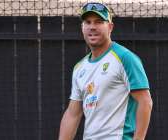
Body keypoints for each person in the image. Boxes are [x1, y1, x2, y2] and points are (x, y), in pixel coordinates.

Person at [58, 2, 153, 140]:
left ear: (110, 27)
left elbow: (145, 102)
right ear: (82, 27)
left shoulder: (125, 58)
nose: (92, 27)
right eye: (88, 22)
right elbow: (73, 114)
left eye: (99, 22)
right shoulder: (79, 68)